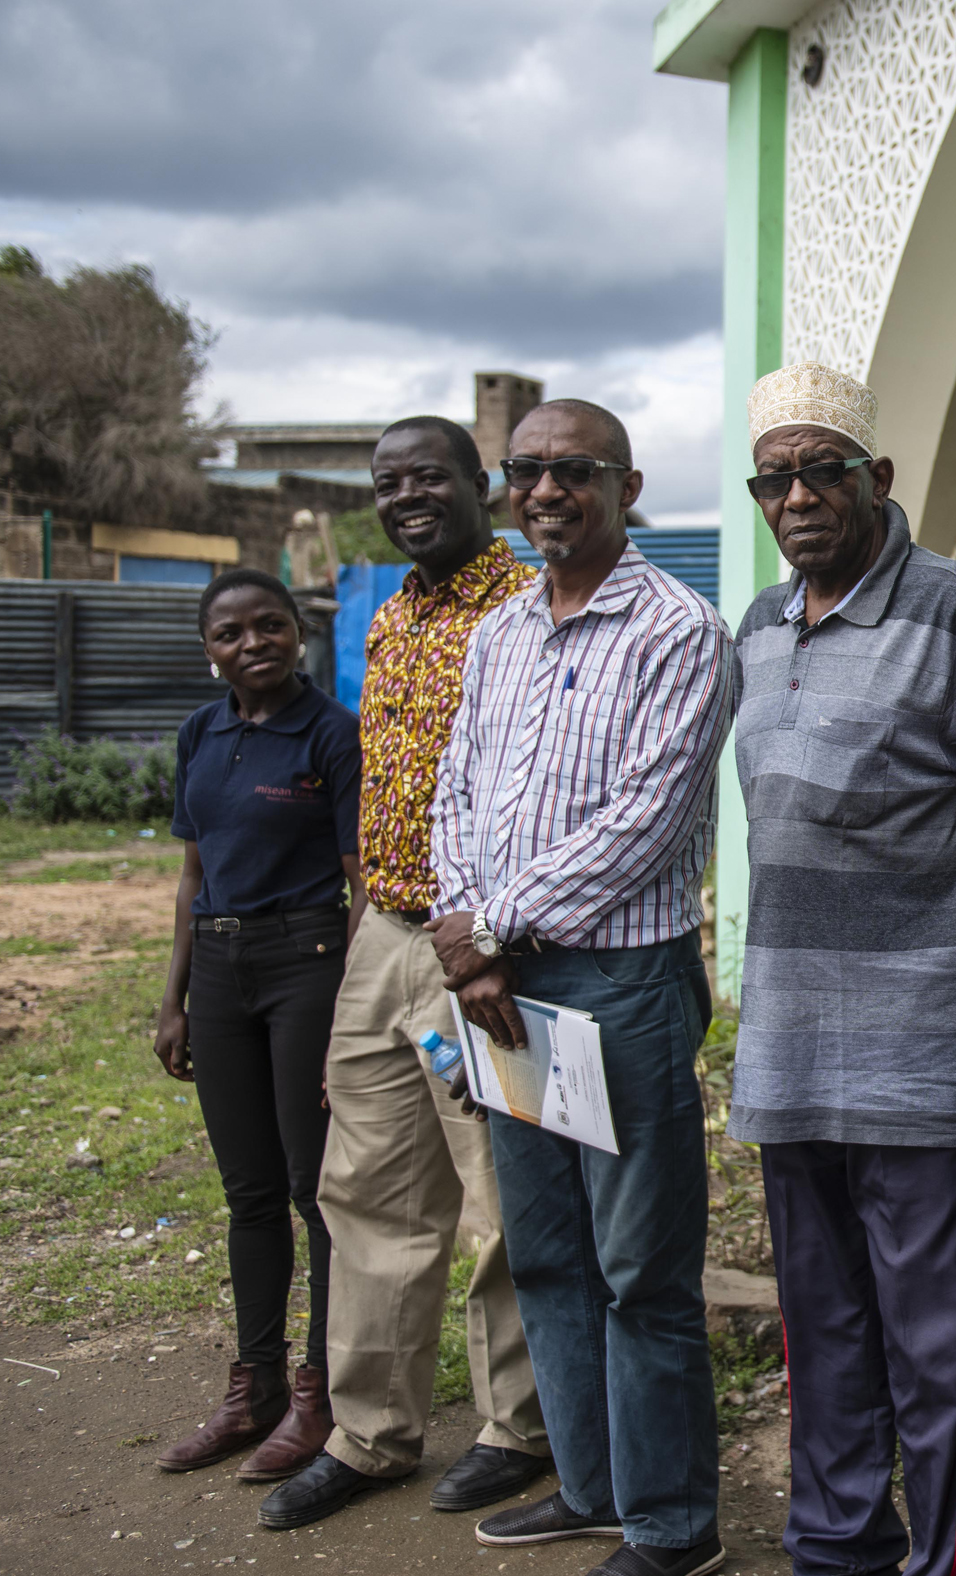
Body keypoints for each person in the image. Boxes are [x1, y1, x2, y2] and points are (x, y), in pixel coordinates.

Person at [428, 399, 736, 1576]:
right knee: (546, 1254)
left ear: (629, 483)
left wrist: (487, 927)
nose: (545, 491)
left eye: (574, 471)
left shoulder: (680, 631)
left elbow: (647, 825)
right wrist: (467, 932)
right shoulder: (501, 632)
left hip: (618, 985)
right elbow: (458, 790)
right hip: (499, 982)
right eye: (527, 471)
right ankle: (594, 1485)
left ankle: (673, 1526)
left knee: (638, 1267)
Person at [728, 363, 956, 1575]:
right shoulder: (755, 623)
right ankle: (836, 1546)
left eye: (820, 470)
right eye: (773, 478)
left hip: (927, 1055)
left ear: (874, 478)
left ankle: (945, 1561)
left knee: (938, 1349)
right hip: (790, 1054)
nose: (796, 497)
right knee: (824, 1335)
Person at [258, 416, 549, 1531]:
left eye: (429, 475)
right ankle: (369, 1430)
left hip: (480, 941)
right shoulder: (389, 617)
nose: (407, 495)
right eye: (389, 482)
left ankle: (514, 1427)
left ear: (483, 485)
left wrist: (486, 941)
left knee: (495, 1191)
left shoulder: (522, 612)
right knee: (367, 1188)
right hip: (381, 932)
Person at [151, 568, 363, 1478]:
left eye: (270, 626)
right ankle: (255, 1387)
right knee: (247, 1194)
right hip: (222, 967)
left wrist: (352, 1007)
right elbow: (194, 879)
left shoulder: (332, 732)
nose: (254, 644)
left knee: (313, 1187)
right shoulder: (202, 733)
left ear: (297, 634)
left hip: (307, 963)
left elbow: (361, 883)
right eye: (231, 634)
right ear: (210, 652)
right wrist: (175, 999)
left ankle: (320, 1394)